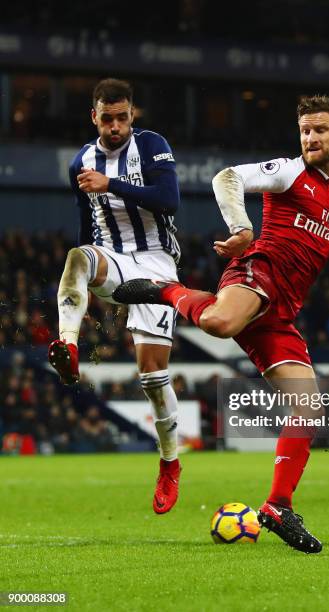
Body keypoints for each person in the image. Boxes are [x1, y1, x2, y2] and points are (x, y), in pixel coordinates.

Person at [113, 95, 329, 553]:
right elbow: (227, 177)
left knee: (309, 405)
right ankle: (163, 289)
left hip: (282, 311)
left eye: (320, 130)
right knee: (220, 322)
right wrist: (241, 227)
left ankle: (278, 506)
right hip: (257, 273)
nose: (310, 138)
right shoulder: (289, 172)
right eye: (305, 130)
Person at [48, 78, 182, 514]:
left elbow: (169, 200)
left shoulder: (153, 144)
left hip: (157, 263)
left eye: (122, 117)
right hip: (113, 257)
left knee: (152, 379)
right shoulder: (80, 162)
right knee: (77, 256)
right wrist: (87, 282)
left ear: (131, 114)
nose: (116, 126)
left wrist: (111, 184)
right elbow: (87, 225)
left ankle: (169, 463)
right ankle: (68, 342)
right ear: (95, 117)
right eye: (107, 118)